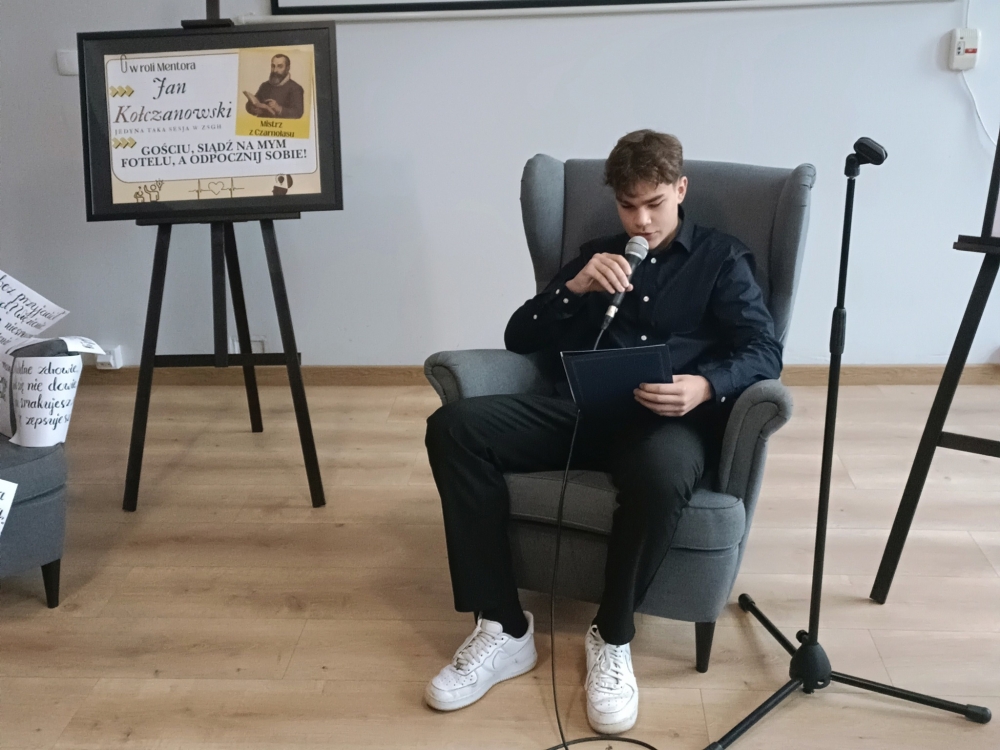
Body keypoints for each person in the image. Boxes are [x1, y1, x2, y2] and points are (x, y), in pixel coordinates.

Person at [423, 130, 782, 734]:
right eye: (627, 206)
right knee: (453, 428)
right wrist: (573, 289)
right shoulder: (597, 257)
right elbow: (519, 337)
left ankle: (612, 636)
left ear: (681, 190)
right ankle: (503, 626)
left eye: (654, 204)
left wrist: (704, 385)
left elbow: (764, 350)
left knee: (664, 473)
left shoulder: (722, 259)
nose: (641, 221)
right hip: (580, 413)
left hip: (664, 424)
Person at [244, 54, 304, 119]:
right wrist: (252, 108)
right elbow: (255, 101)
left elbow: (298, 113)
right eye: (273, 66)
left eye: (280, 66)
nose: (275, 70)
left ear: (287, 68)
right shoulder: (264, 85)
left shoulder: (296, 88)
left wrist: (279, 108)